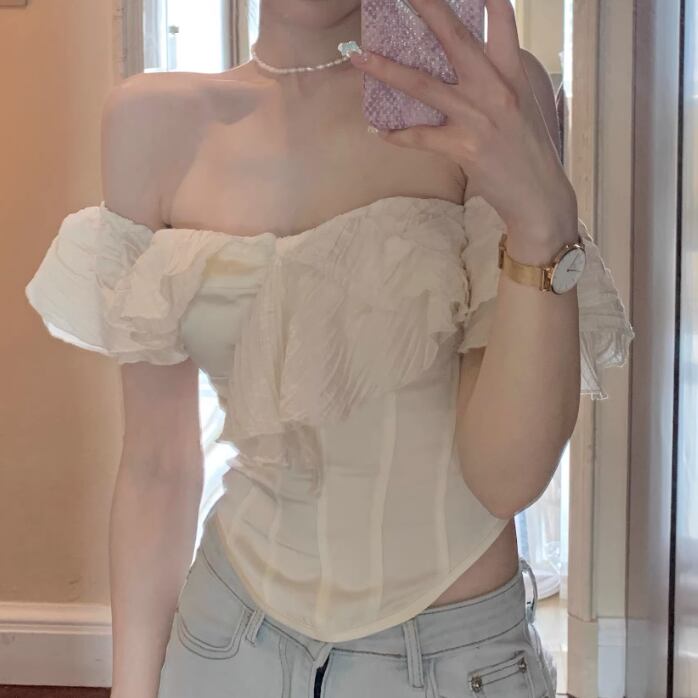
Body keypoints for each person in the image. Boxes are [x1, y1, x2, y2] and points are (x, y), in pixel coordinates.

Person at [24, 0, 635, 696]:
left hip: (446, 662)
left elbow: (506, 478)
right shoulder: (149, 122)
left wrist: (543, 224)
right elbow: (157, 468)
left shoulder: (481, 100)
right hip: (223, 646)